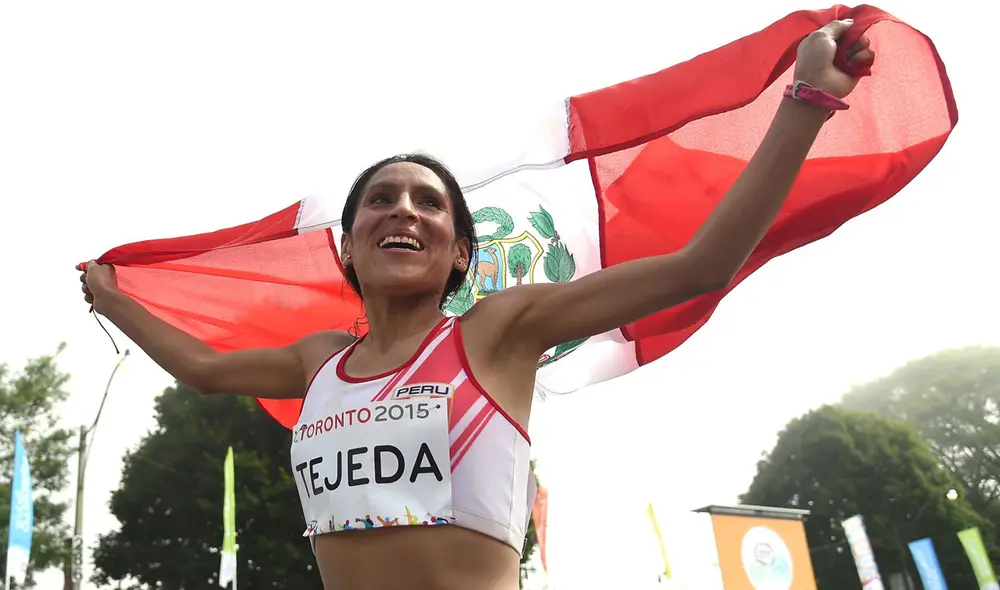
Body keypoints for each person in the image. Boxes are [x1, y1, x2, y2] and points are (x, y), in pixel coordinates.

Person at [79, 20, 874, 590]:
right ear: (348, 248)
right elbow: (200, 366)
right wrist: (113, 302)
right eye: (380, 199)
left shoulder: (500, 330)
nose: (403, 209)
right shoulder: (317, 361)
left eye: (429, 202)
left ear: (461, 251)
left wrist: (807, 99)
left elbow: (701, 266)